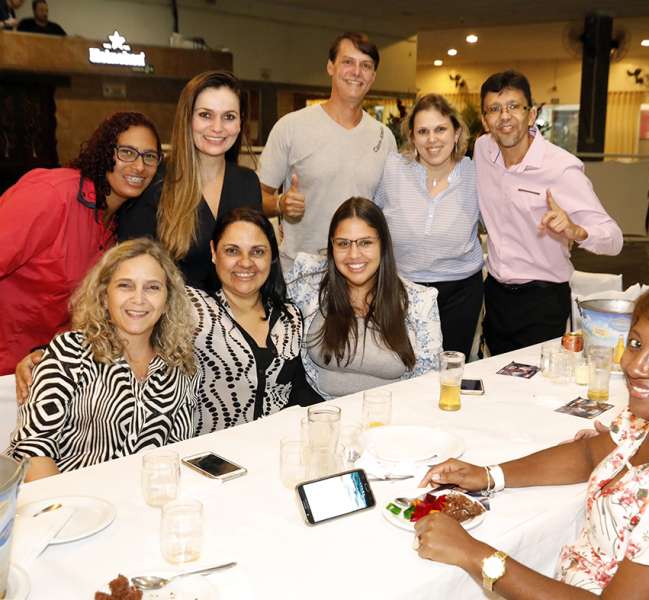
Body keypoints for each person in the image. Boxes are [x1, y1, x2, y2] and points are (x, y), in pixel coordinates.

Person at [417, 282, 649, 599]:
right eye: (637, 343)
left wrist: (474, 554)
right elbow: (591, 451)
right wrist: (489, 474)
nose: (635, 366)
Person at [6, 239, 197, 482]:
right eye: (125, 286)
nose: (139, 299)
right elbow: (32, 452)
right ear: (104, 296)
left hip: (134, 504)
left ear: (167, 300)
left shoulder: (181, 367)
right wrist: (70, 512)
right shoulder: (70, 352)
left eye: (152, 288)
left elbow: (176, 454)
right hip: (57, 503)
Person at [0, 111, 161, 375]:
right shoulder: (51, 195)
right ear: (105, 151)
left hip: (43, 369)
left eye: (149, 156)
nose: (139, 166)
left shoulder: (115, 226)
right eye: (127, 153)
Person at [475, 70, 622, 355]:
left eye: (514, 107)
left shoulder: (560, 168)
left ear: (531, 115)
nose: (504, 116)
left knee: (539, 389)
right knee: (496, 387)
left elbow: (614, 239)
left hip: (542, 300)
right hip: (494, 295)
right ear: (485, 120)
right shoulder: (482, 150)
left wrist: (577, 231)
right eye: (494, 109)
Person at [258, 32, 396, 270]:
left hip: (359, 271)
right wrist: (280, 204)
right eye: (348, 62)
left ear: (373, 76)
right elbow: (254, 198)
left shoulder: (384, 138)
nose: (356, 72)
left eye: (365, 66)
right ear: (330, 67)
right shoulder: (291, 127)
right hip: (300, 271)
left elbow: (389, 211)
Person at [117, 70, 261, 292]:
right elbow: (131, 270)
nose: (217, 127)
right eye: (205, 115)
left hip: (232, 319)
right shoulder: (155, 182)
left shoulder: (247, 182)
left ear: (241, 123)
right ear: (187, 118)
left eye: (229, 117)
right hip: (171, 319)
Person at [287, 197, 442, 400]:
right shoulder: (307, 283)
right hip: (321, 413)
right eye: (343, 243)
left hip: (392, 417)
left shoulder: (420, 301)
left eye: (365, 243)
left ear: (383, 245)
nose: (353, 254)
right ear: (331, 246)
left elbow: (428, 382)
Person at [190, 207, 321, 435]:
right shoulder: (192, 309)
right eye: (232, 251)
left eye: (257, 252)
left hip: (274, 451)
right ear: (213, 252)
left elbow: (298, 390)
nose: (245, 262)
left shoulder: (289, 318)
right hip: (210, 459)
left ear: (272, 256)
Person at [374, 94, 483, 358]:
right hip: (402, 291)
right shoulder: (393, 169)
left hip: (460, 292)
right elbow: (371, 220)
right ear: (412, 137)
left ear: (456, 132)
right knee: (402, 369)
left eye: (440, 129)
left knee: (449, 372)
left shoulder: (474, 173)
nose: (432, 139)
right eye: (422, 131)